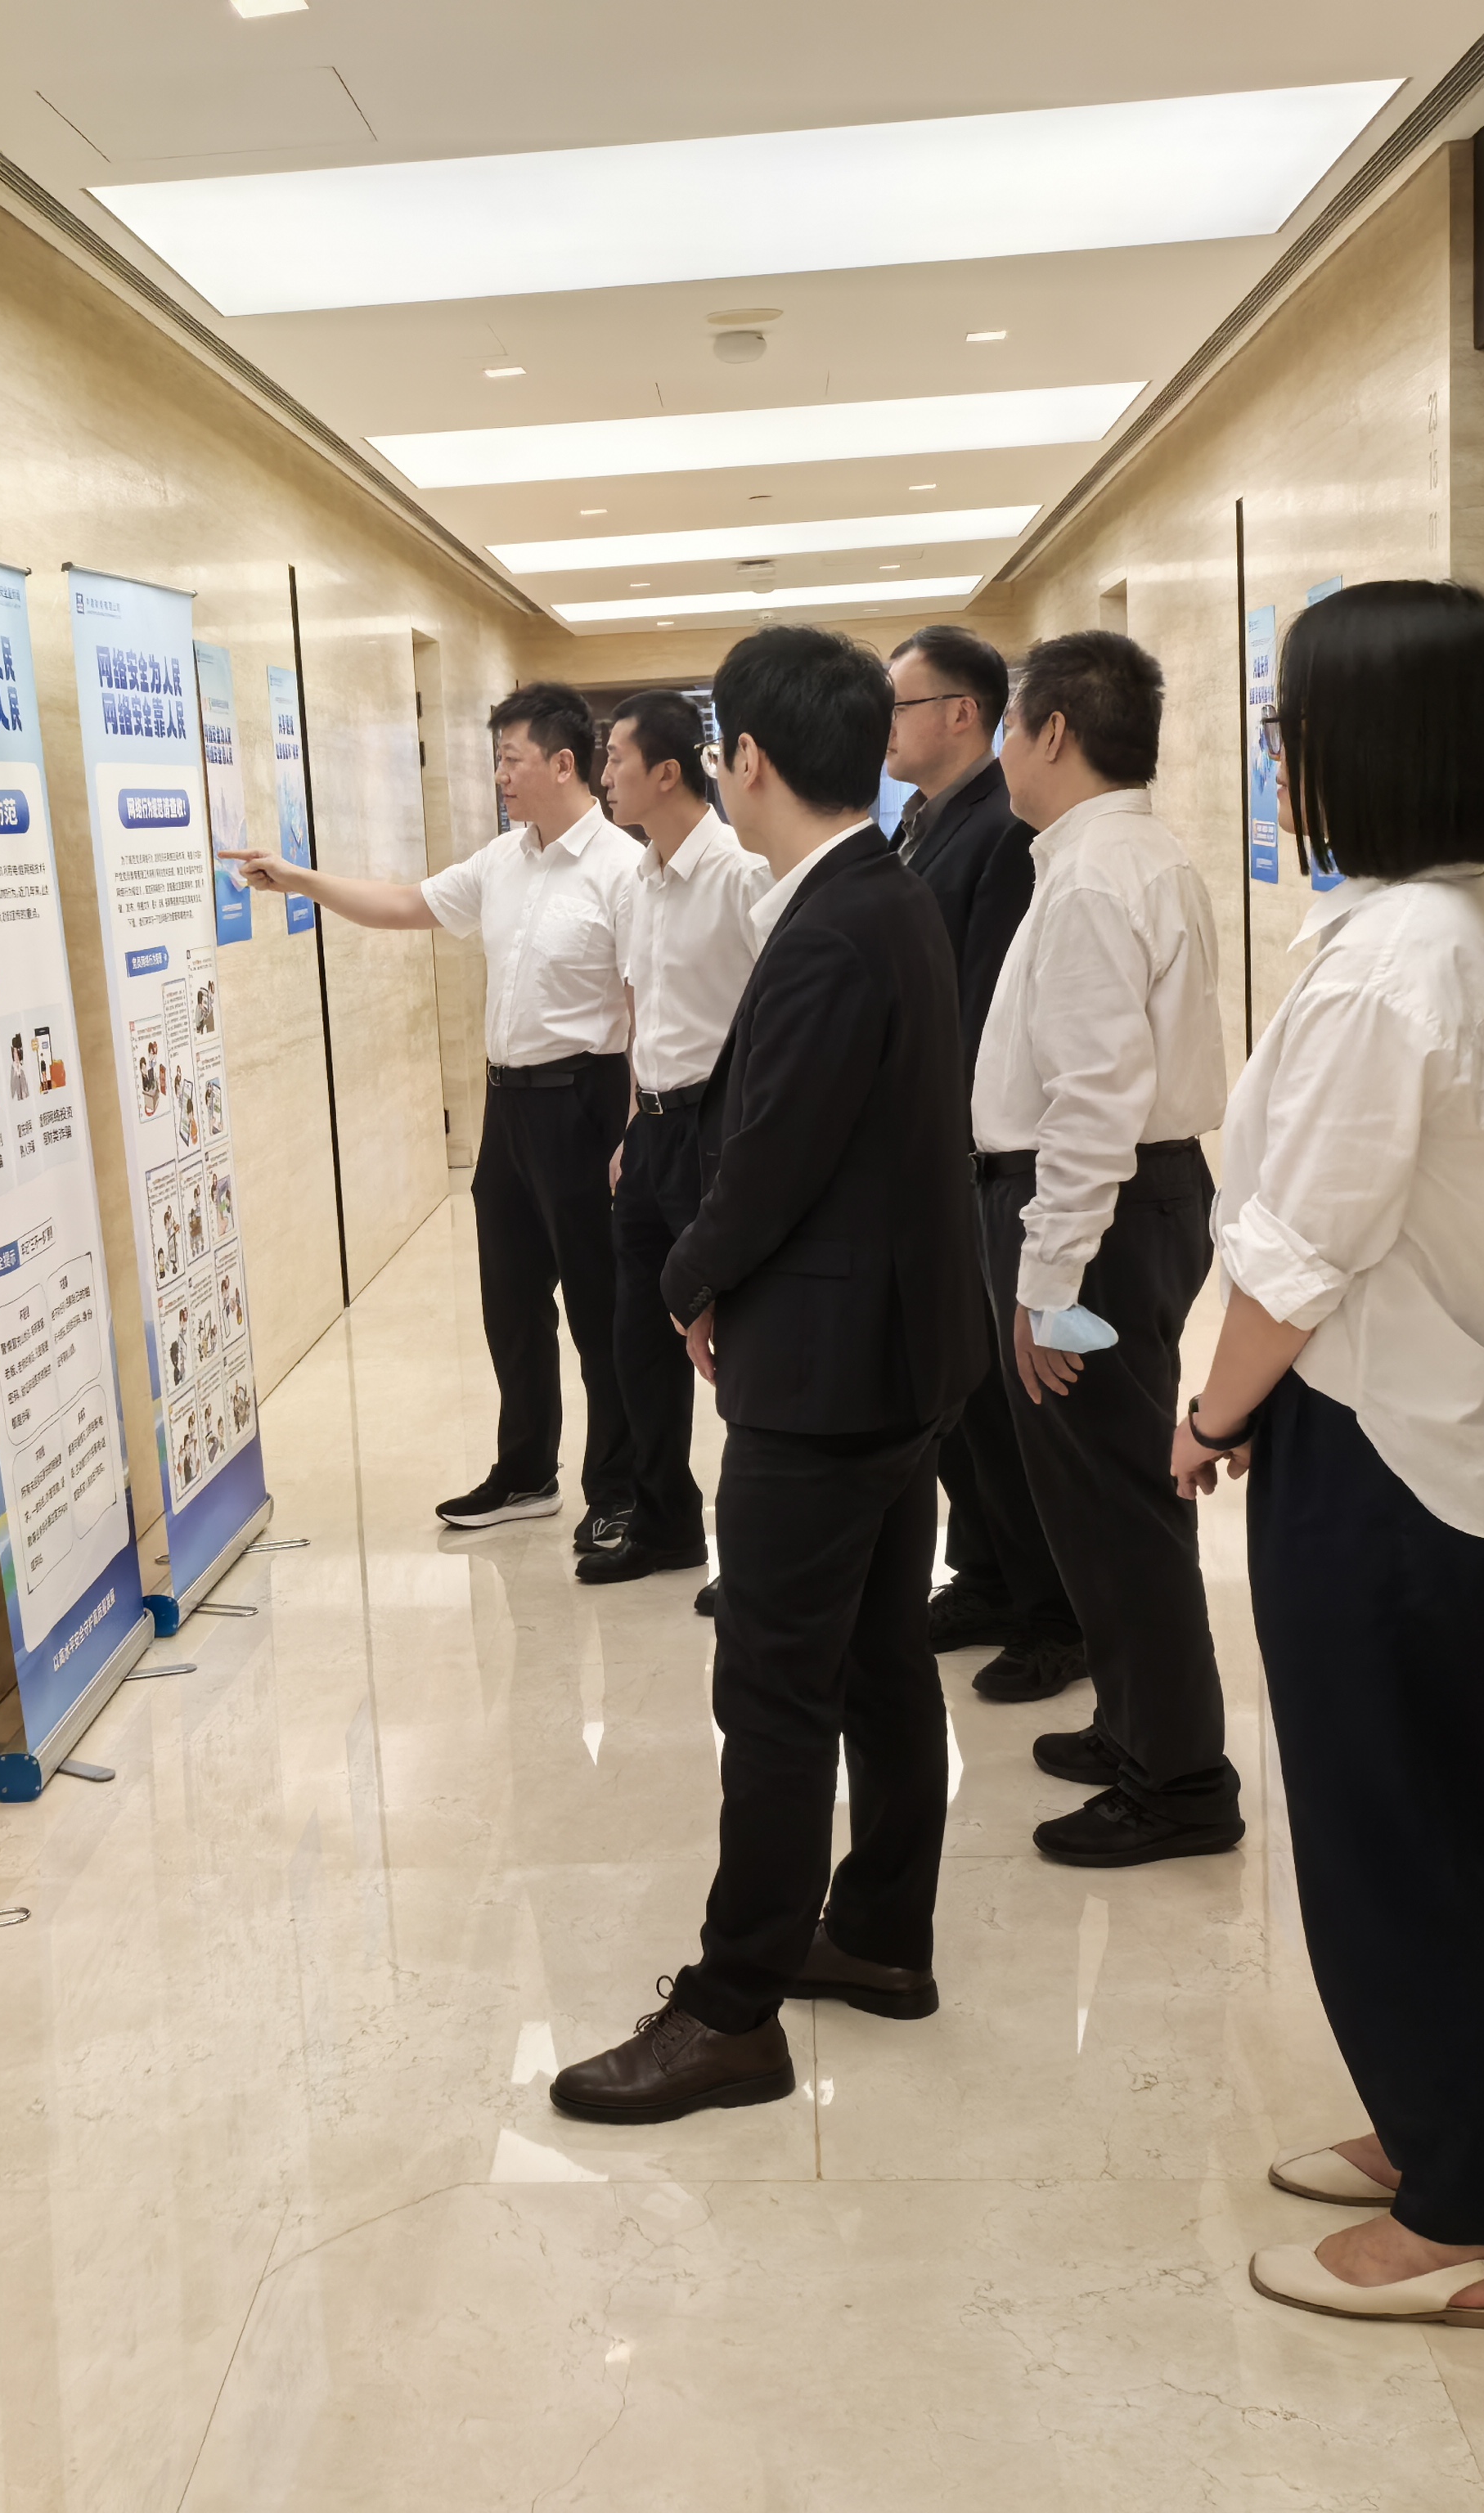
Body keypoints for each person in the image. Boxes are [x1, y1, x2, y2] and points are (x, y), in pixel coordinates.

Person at [1171, 579, 1484, 2329]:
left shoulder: (1399, 963)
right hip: (1399, 1430)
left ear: (1372, 744)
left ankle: (1458, 2217)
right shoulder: (1424, 931)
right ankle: (1430, 2128)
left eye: (1292, 728)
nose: (1282, 757)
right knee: (1404, 1812)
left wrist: (1208, 1413)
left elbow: (1297, 1248)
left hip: (1391, 1458)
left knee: (1402, 1828)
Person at [549, 627, 987, 2124]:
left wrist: (685, 1278)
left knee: (776, 1688)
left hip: (827, 1375)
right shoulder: (880, 893)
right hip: (891, 1357)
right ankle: (880, 1930)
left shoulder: (832, 926)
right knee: (874, 1659)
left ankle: (731, 2009)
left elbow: (769, 1161)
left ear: (744, 759)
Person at [231, 684, 642, 1551]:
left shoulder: (620, 868)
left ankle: (620, 1489)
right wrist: (298, 879)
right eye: (497, 760)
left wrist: (637, 1125)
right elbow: (403, 904)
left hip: (587, 1103)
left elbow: (648, 1001)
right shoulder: (502, 862)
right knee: (510, 1303)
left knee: (601, 1309)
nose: (499, 776)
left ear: (563, 763)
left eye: (510, 759)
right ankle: (525, 1472)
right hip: (509, 1109)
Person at [969, 630, 1239, 1868]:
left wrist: (1044, 1284)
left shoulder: (1089, 877)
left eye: (1008, 727)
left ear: (1054, 732)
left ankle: (1177, 1782)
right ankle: (1138, 1726)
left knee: (1119, 1504)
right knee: (1101, 1496)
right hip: (1132, 1204)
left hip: (1096, 1217)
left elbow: (1093, 1101)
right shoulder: (1128, 854)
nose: (1001, 753)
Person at [884, 625, 1084, 1698]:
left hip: (980, 1160)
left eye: (899, 706)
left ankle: (1053, 1614)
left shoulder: (1001, 835)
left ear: (960, 713)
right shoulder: (924, 823)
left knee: (1010, 1407)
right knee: (957, 1396)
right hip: (934, 1163)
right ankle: (989, 1574)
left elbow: (983, 1016)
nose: (882, 728)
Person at [586, 690, 771, 1587]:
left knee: (737, 1343)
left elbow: (773, 1022)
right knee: (639, 1339)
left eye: (615, 760)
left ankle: (754, 1554)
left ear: (667, 772)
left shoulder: (741, 874)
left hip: (717, 1132)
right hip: (654, 1132)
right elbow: (640, 1010)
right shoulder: (638, 879)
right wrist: (633, 1120)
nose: (604, 777)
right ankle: (665, 1525)